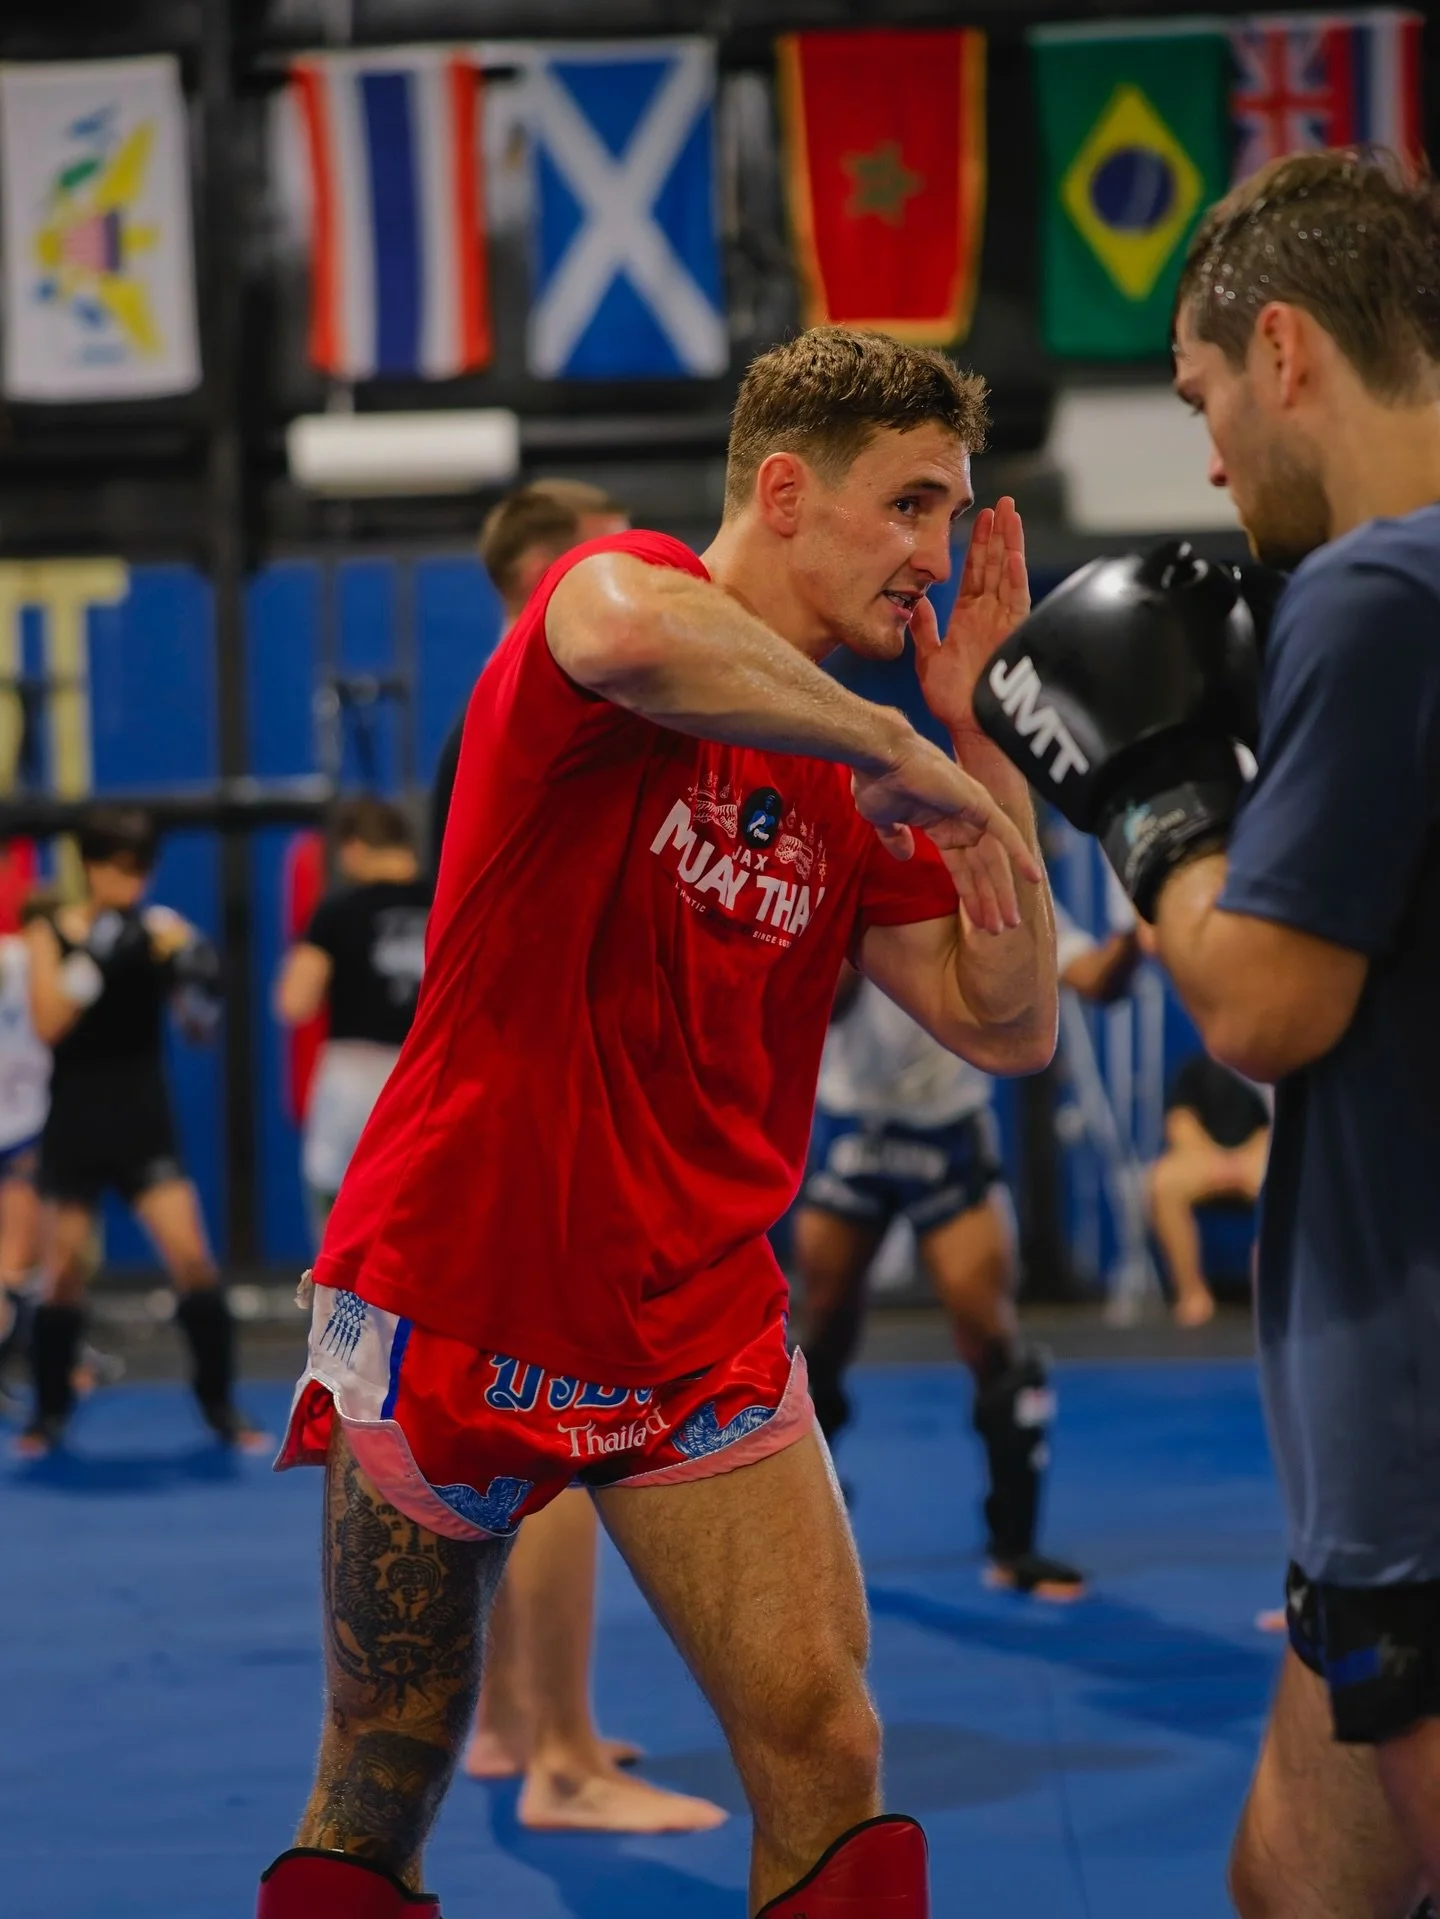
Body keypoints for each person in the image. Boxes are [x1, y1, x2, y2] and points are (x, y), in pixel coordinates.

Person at [257, 325, 1056, 1919]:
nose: (935, 551)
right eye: (909, 504)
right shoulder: (619, 596)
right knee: (386, 1763)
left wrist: (972, 732)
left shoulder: (849, 785)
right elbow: (622, 626)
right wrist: (895, 737)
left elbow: (1008, 1015)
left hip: (690, 1323)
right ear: (783, 488)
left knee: (827, 1744)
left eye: (954, 511)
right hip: (456, 1281)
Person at [974, 149, 1440, 1919]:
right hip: (1377, 1453)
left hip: (1416, 1416)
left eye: (1204, 395)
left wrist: (1151, 793)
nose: (1211, 451)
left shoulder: (1380, 597)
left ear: (1289, 348)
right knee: (1293, 1888)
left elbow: (1261, 1004)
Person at [430, 480, 722, 1835]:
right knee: (555, 1448)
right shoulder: (549, 696)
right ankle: (560, 1761)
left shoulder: (503, 708)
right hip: (535, 1115)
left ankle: (514, 1721)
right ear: (547, 575)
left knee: (503, 1440)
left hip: (509, 1105)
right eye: (604, 560)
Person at [794, 903, 1138, 1600]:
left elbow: (1099, 981)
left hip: (948, 1126)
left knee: (990, 1334)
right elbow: (821, 1008)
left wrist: (1139, 932)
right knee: (819, 1334)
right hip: (851, 1117)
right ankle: (800, 1526)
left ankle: (1015, 1543)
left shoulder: (988, 875)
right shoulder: (849, 855)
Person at [15, 806, 262, 1459]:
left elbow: (199, 1030)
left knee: (192, 1259)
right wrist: (95, 958)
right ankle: (48, 1412)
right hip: (75, 1118)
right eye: (116, 866)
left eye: (138, 868)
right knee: (62, 1271)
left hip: (142, 1119)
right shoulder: (50, 932)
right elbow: (47, 1023)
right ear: (91, 866)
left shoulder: (160, 933)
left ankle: (220, 1406)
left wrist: (197, 977)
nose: (129, 880)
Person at [429, 478, 628, 873]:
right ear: (542, 575)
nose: (633, 582)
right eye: (613, 563)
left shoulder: (522, 712)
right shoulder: (510, 723)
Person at [274, 797, 430, 1247]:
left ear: (353, 850)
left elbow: (295, 1001)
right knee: (420, 1209)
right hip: (427, 1075)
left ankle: (339, 1307)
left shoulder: (337, 911)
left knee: (337, 1202)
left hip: (354, 1075)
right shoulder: (446, 904)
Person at [1146, 1051, 1270, 1329]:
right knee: (1163, 1183)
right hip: (1203, 1161)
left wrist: (1244, 1160)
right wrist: (1216, 1161)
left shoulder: (1266, 1066)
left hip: (1257, 1159)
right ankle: (1192, 1295)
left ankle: (1277, 1296)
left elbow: (1279, 1124)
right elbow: (1180, 1123)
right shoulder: (1193, 1071)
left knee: (1291, 1179)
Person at [0, 893, 55, 1411]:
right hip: (20, 1117)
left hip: (23, 1119)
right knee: (16, 1259)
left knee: (25, 1255)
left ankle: (49, 1356)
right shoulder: (22, 956)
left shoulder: (28, 960)